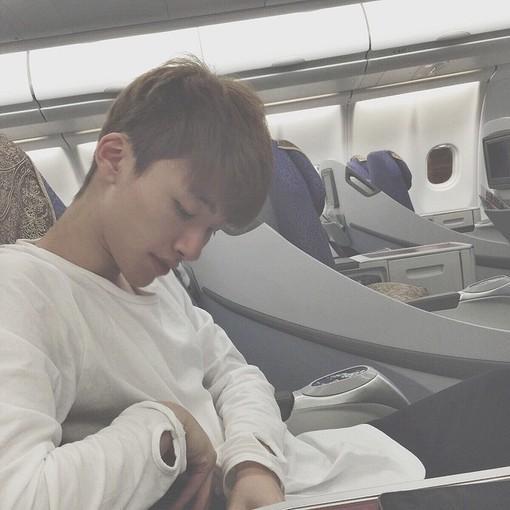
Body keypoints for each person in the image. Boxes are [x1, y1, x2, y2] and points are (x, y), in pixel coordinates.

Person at [1, 57, 510, 510]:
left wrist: (252, 461)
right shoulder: (21, 292)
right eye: (185, 210)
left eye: (211, 231)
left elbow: (237, 376)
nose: (192, 249)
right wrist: (170, 429)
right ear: (114, 158)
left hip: (298, 471)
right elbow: (18, 494)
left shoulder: (156, 280)